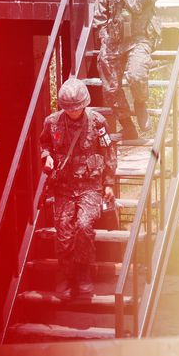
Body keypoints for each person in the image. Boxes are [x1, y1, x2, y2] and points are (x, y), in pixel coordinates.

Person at [39, 77, 117, 298]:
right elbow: (44, 143)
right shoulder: (52, 122)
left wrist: (109, 183)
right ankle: (66, 274)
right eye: (69, 109)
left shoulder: (98, 122)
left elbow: (108, 151)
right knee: (63, 230)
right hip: (63, 186)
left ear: (84, 104)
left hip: (90, 186)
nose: (73, 112)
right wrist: (47, 157)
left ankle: (84, 273)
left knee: (83, 226)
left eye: (77, 108)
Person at [92, 0, 163, 139]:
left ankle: (140, 104)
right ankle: (127, 124)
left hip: (139, 37)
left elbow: (137, 6)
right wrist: (105, 36)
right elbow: (99, 12)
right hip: (115, 38)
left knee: (136, 75)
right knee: (110, 85)